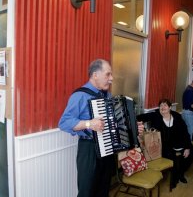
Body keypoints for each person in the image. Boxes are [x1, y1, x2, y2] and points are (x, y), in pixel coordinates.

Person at [58, 59, 144, 197]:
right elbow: (64, 122)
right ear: (95, 75)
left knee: (104, 189)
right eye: (108, 74)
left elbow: (115, 124)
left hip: (108, 151)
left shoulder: (107, 95)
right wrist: (89, 124)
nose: (111, 79)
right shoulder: (79, 95)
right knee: (87, 191)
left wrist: (133, 129)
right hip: (89, 149)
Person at [137, 99, 193, 189]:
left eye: (165, 105)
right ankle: (175, 178)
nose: (162, 107)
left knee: (190, 155)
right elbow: (139, 117)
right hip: (164, 146)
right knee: (173, 159)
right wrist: (138, 123)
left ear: (170, 107)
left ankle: (181, 174)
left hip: (179, 142)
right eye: (161, 106)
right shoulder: (155, 115)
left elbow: (185, 131)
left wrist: (187, 147)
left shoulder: (177, 116)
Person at [182, 75, 193, 140]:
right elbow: (192, 105)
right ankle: (188, 149)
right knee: (190, 133)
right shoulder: (190, 90)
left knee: (188, 133)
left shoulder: (190, 89)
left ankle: (188, 148)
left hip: (188, 113)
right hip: (189, 114)